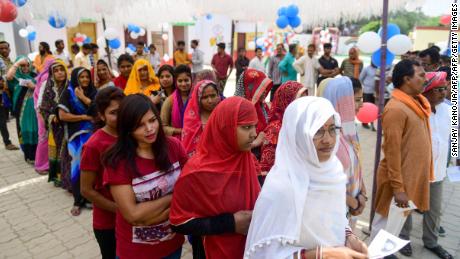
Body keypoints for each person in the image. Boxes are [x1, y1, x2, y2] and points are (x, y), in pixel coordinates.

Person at [245, 96, 368, 259]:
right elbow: (263, 254)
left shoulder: (333, 171)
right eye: (318, 131)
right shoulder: (282, 187)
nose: (328, 140)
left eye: (332, 129)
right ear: (298, 135)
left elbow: (332, 218)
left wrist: (348, 236)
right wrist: (320, 254)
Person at [170, 97, 261, 259]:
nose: (254, 134)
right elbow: (179, 222)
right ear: (226, 128)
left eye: (255, 126)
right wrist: (229, 223)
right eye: (246, 127)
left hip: (252, 250)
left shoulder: (249, 161)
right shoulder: (197, 172)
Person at [103, 94, 186, 259]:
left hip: (173, 244)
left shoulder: (173, 146)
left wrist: (149, 218)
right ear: (127, 128)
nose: (149, 128)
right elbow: (133, 214)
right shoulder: (118, 162)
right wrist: (173, 198)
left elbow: (190, 187)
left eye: (152, 120)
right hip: (136, 252)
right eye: (140, 125)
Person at [371, 60, 432, 249]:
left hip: (409, 181)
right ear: (407, 79)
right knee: (383, 228)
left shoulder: (416, 104)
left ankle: (383, 253)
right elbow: (392, 152)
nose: (425, 79)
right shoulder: (396, 109)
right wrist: (398, 189)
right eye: (421, 75)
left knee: (392, 231)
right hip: (397, 185)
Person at [398, 72, 453, 259]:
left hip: (437, 172)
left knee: (434, 210)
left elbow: (452, 137)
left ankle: (431, 242)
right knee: (408, 207)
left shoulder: (449, 111)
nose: (443, 92)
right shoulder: (415, 111)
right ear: (426, 91)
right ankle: (403, 239)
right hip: (415, 172)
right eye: (438, 89)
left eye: (444, 88)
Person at [80, 87, 125, 259]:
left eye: (123, 110)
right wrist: (121, 209)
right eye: (114, 112)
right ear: (101, 115)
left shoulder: (131, 135)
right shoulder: (94, 145)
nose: (120, 116)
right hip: (108, 222)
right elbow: (86, 189)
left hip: (134, 218)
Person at [320, 77, 366, 228]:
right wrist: (353, 202)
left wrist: (363, 194)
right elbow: (323, 183)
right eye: (357, 100)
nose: (362, 104)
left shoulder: (350, 130)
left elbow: (357, 164)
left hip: (351, 207)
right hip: (334, 212)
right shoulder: (326, 139)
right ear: (344, 102)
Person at [58, 67, 97, 216]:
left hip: (93, 136)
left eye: (87, 77)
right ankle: (77, 200)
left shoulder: (93, 92)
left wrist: (83, 98)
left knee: (92, 167)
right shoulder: (68, 93)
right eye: (82, 77)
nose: (85, 80)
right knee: (77, 167)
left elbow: (98, 112)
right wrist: (83, 117)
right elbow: (63, 116)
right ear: (76, 78)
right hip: (76, 137)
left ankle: (90, 198)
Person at [260, 81, 303, 178]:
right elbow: (266, 169)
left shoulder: (300, 124)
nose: (304, 104)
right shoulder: (275, 130)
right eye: (299, 100)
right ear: (287, 101)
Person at [39, 60, 69, 186]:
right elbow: (43, 107)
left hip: (68, 124)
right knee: (56, 151)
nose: (60, 73)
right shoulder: (48, 88)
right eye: (56, 71)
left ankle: (67, 178)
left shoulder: (70, 86)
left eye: (62, 70)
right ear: (51, 74)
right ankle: (58, 176)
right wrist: (51, 117)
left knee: (66, 152)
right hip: (55, 126)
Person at [235, 68, 272, 160]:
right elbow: (233, 145)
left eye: (265, 88)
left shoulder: (263, 106)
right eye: (260, 88)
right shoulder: (238, 109)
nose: (264, 91)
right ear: (249, 87)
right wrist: (257, 142)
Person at [6, 56, 38, 164]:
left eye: (27, 65)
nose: (25, 67)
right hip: (22, 111)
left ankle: (38, 155)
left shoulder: (34, 76)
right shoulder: (16, 78)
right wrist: (17, 63)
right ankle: (29, 155)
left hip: (35, 110)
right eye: (22, 65)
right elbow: (9, 76)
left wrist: (34, 87)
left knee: (36, 130)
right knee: (26, 130)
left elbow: (41, 88)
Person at [181, 80, 222, 157]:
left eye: (213, 96)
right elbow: (188, 145)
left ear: (218, 95)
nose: (210, 101)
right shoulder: (192, 119)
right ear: (198, 99)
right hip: (199, 160)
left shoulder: (224, 114)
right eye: (205, 97)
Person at [33, 58, 56, 174]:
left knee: (46, 138)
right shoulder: (46, 77)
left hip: (44, 112)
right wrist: (42, 116)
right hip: (42, 112)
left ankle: (46, 163)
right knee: (43, 138)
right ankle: (40, 165)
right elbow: (40, 98)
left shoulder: (46, 75)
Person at [160, 65, 192, 138]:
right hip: (176, 142)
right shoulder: (170, 100)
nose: (183, 84)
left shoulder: (196, 98)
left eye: (186, 80)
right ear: (175, 81)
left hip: (195, 139)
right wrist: (181, 131)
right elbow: (163, 127)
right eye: (180, 81)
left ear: (191, 80)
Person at [0, 76, 19, 150]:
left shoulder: (3, 87)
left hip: (2, 109)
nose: (1, 82)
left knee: (3, 125)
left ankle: (7, 143)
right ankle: (7, 143)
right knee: (3, 125)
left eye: (2, 81)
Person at [359, 62, 378, 130]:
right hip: (367, 91)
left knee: (375, 109)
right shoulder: (366, 69)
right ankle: (364, 123)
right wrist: (364, 87)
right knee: (365, 107)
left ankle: (373, 125)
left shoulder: (379, 68)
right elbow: (360, 78)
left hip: (376, 93)